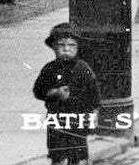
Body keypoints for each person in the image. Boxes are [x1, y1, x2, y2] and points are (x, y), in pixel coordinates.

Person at [32, 24, 100, 165]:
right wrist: (54, 92)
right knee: (58, 153)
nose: (66, 49)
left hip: (78, 117)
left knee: (78, 152)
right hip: (57, 118)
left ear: (77, 48)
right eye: (61, 45)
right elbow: (38, 91)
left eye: (71, 45)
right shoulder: (49, 69)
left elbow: (94, 94)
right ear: (54, 47)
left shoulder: (83, 69)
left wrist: (94, 113)